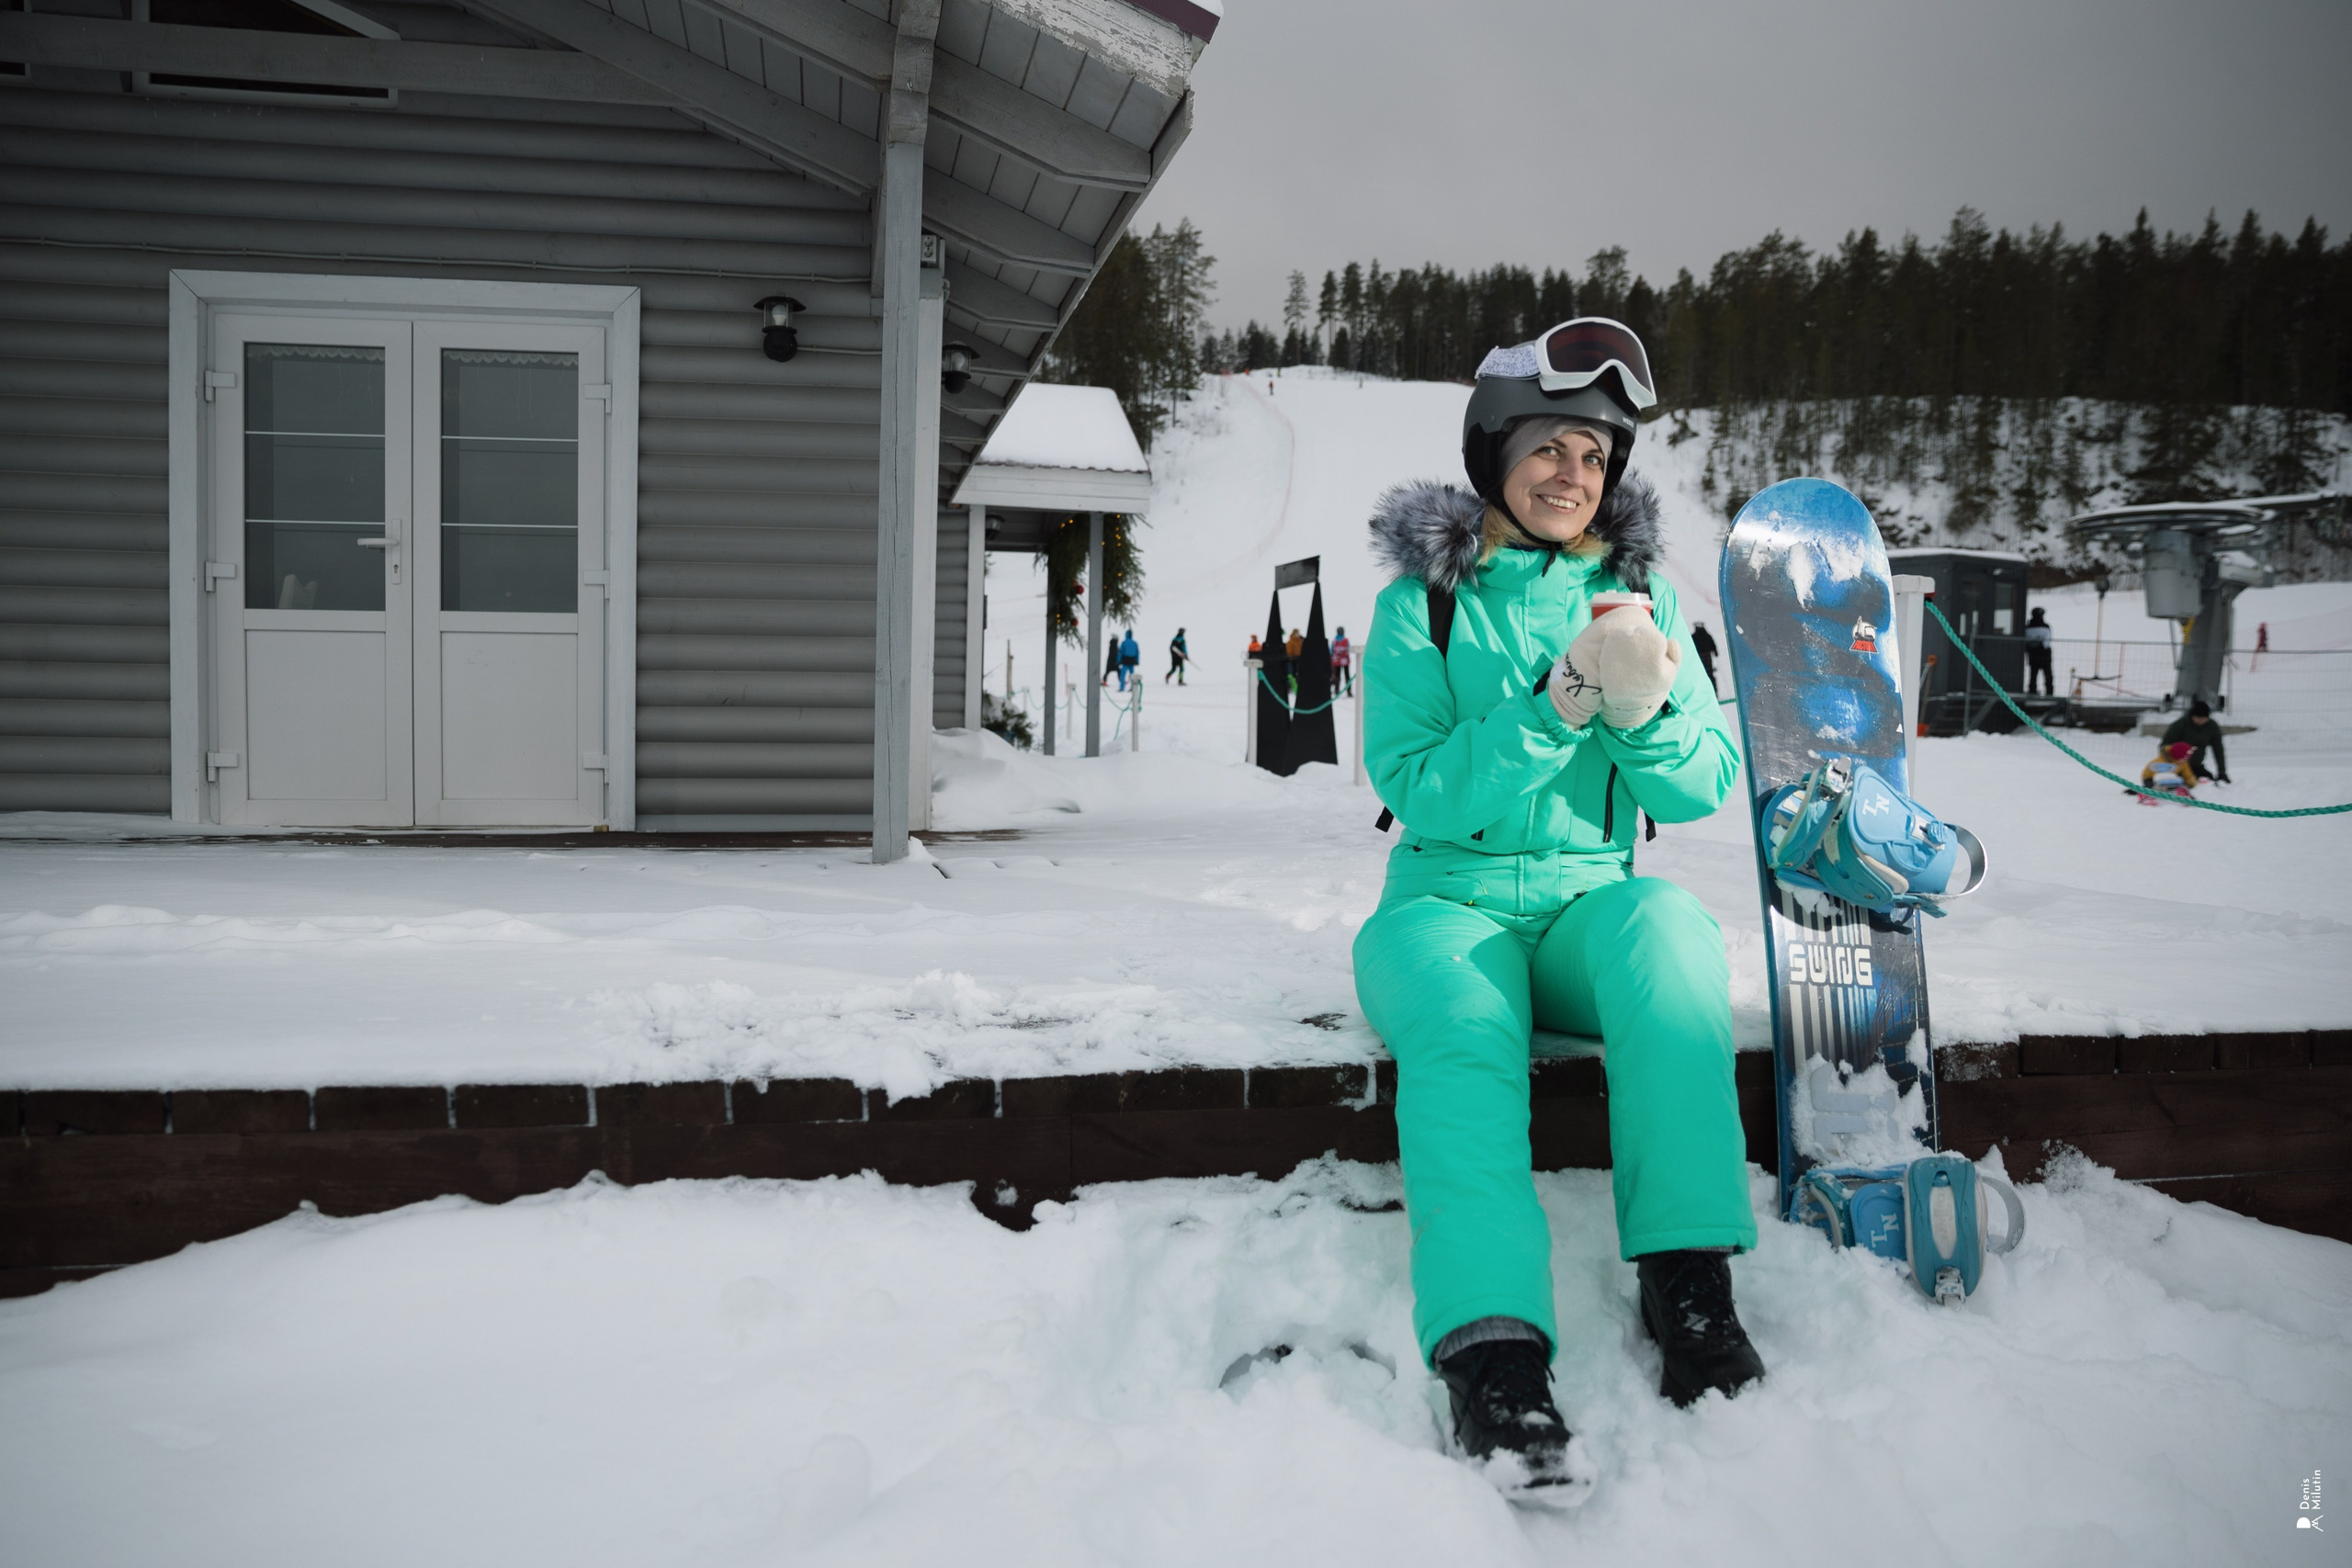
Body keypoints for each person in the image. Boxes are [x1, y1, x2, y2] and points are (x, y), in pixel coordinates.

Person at [1357, 318, 1758, 1495]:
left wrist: (1641, 706)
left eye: (1592, 454)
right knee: (1468, 1034)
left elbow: (1699, 785)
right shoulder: (1419, 609)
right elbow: (1419, 785)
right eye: (1547, 447)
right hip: (1444, 906)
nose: (1571, 474)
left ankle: (1688, 1281)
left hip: (1591, 899)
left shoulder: (1638, 601)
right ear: (1493, 454)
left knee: (1672, 935)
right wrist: (1559, 704)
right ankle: (1496, 1357)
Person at [2161, 700, 2230, 784]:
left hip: (2197, 766)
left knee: (2209, 780)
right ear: (2192, 716)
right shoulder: (2180, 725)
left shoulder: (2211, 726)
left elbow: (2218, 749)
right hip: (2178, 767)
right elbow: (2164, 747)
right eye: (2198, 718)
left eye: (2204, 719)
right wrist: (2170, 766)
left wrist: (2222, 771)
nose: (2201, 721)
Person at [2140, 740, 2198, 804]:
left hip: (2169, 778)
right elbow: (2158, 776)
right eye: (2184, 758)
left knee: (2178, 784)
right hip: (2151, 777)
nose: (2185, 760)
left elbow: (2187, 773)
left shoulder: (2183, 762)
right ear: (2177, 755)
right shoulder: (2161, 760)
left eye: (2187, 758)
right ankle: (2146, 794)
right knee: (2153, 787)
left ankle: (2182, 793)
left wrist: (2190, 782)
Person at [2024, 607, 2053, 696]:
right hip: (2045, 655)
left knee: (2033, 674)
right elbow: (2047, 642)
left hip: (2033, 655)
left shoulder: (2027, 628)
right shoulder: (2046, 627)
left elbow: (2027, 641)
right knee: (2048, 675)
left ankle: (2032, 691)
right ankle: (2049, 693)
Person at [1690, 620, 1719, 695]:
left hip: (1699, 657)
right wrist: (1715, 653)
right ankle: (1714, 691)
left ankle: (1703, 693)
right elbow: (1713, 645)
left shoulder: (1693, 637)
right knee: (1709, 674)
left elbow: (1691, 647)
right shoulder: (1707, 635)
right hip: (1707, 656)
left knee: (1701, 674)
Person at [1332, 626, 1354, 695]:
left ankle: (1337, 690)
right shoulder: (1346, 641)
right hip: (1344, 661)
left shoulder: (1334, 641)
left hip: (1337, 661)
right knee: (1347, 676)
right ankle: (1349, 691)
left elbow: (1331, 652)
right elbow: (1349, 649)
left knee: (1337, 676)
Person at [1118, 627, 1140, 692]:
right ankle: (1132, 687)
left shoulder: (1124, 643)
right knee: (1132, 675)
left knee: (1123, 675)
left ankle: (1122, 687)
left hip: (1125, 660)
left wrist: (1119, 660)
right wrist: (1137, 661)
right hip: (1132, 661)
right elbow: (1137, 652)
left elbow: (1121, 652)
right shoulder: (1135, 643)